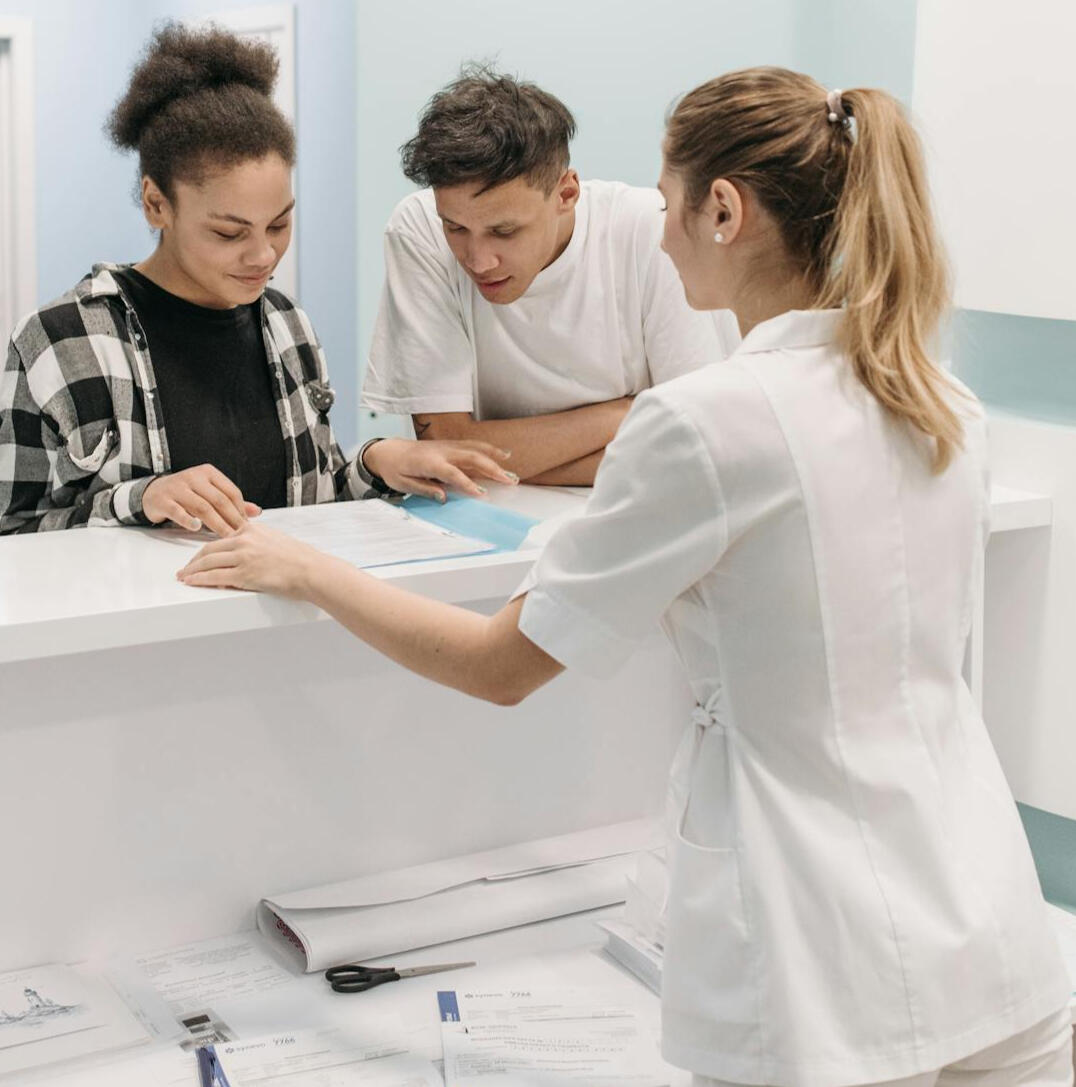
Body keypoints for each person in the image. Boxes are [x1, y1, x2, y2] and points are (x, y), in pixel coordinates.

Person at [179, 67, 1073, 1086]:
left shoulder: (706, 421)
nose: (657, 233)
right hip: (992, 930)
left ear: (721, 210)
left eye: (665, 203)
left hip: (819, 957)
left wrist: (310, 568)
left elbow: (500, 665)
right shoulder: (942, 400)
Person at [0, 26, 512, 535]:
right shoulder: (59, 342)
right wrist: (141, 499)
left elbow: (311, 496)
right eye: (229, 233)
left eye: (280, 224)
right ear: (157, 204)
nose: (264, 255)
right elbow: (14, 531)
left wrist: (374, 463)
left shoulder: (287, 324)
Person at [361, 65, 738, 485]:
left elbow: (692, 439)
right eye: (456, 228)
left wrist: (514, 463)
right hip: (487, 516)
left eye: (505, 231)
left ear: (566, 194)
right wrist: (630, 411)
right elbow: (448, 447)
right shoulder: (418, 229)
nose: (479, 260)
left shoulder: (650, 229)